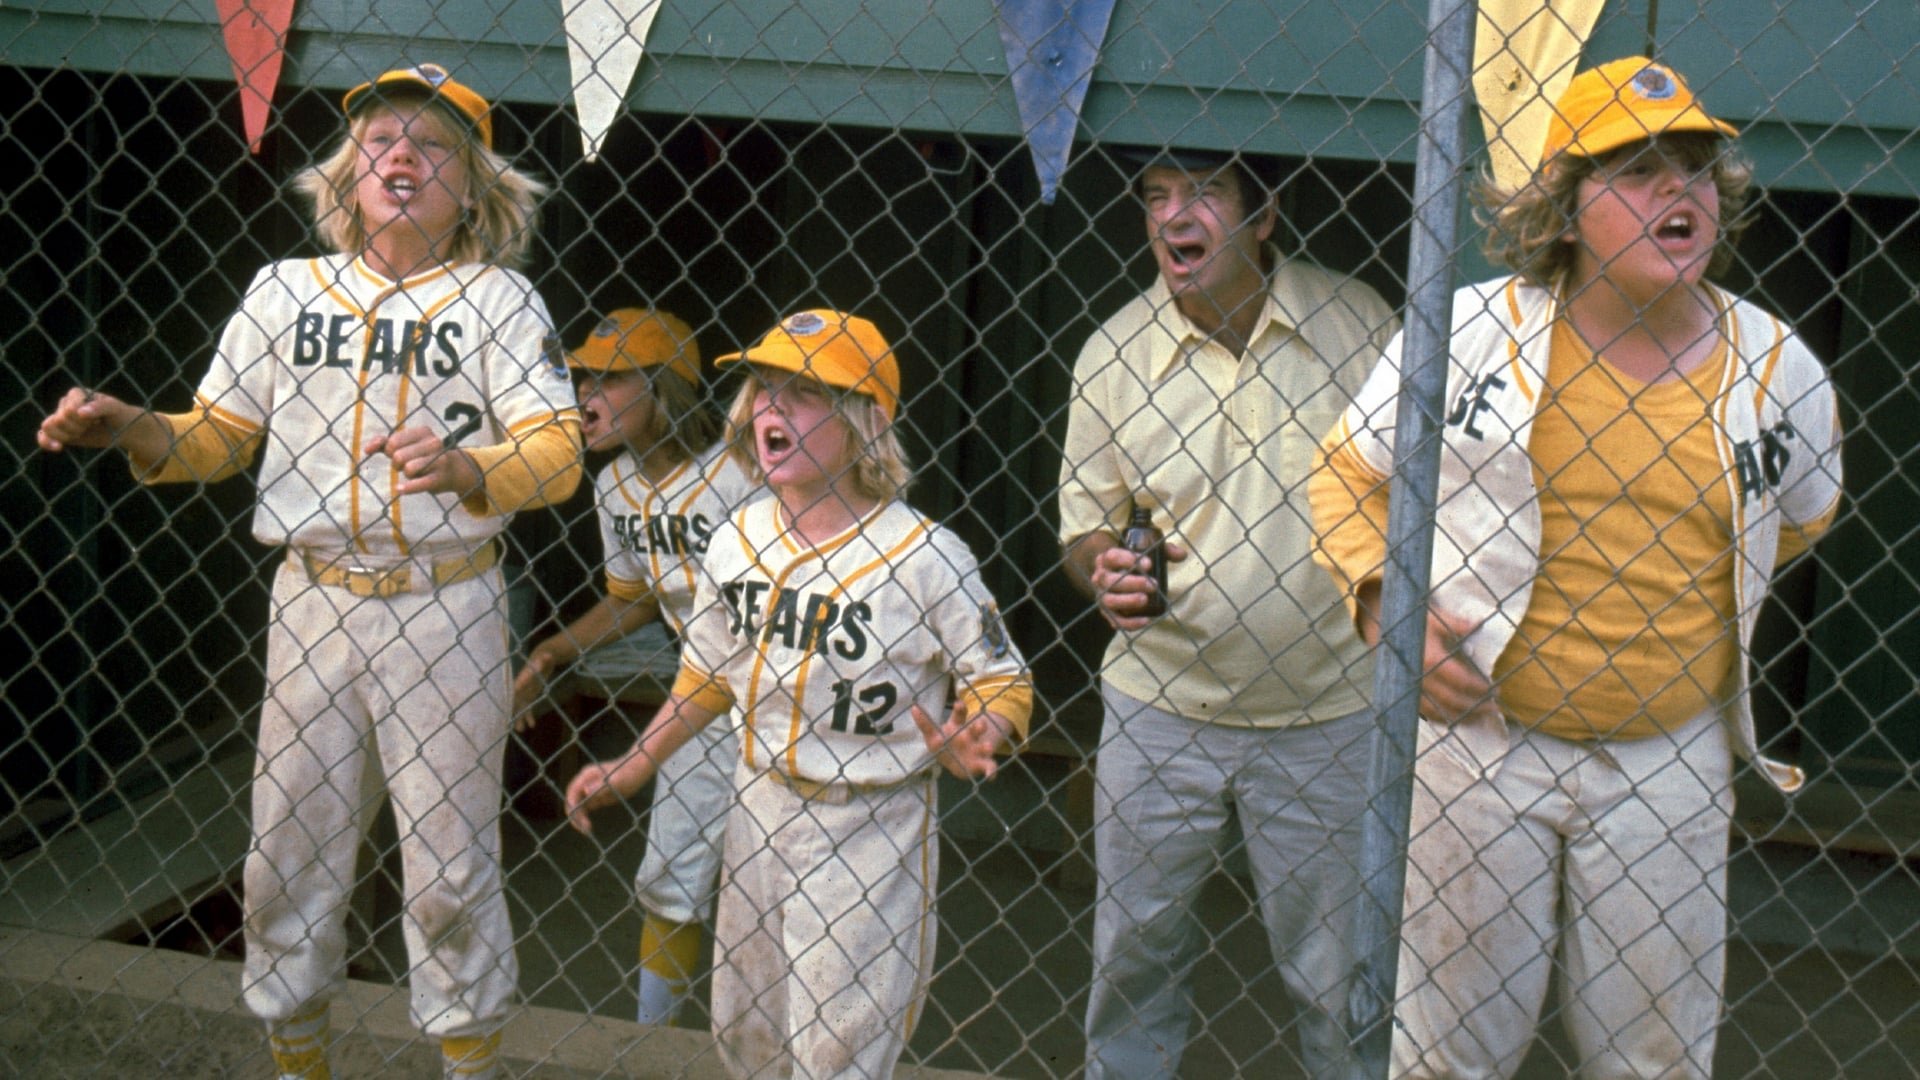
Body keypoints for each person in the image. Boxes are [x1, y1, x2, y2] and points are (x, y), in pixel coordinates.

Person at [36, 63, 581, 1080]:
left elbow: (557, 454)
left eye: (434, 145)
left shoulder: (501, 298)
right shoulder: (286, 289)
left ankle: (469, 1066)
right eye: (380, 140)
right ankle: (298, 1064)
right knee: (287, 856)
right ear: (345, 173)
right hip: (316, 598)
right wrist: (134, 429)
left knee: (448, 873)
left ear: (476, 188)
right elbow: (215, 440)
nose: (403, 156)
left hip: (448, 599)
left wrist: (471, 466)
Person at [1310, 58, 1843, 1078]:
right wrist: (1389, 605)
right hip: (1481, 742)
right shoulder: (1469, 330)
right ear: (1563, 209)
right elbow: (1345, 474)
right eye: (1635, 171)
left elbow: (1801, 523)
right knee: (1446, 1058)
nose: (1676, 191)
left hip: (1669, 759)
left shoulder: (1780, 370)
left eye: (1692, 168)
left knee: (1655, 1061)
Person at [564, 309, 1034, 1077]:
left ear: (865, 422)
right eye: (764, 390)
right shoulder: (739, 537)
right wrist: (638, 764)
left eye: (804, 395)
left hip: (868, 823)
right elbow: (709, 673)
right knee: (748, 1033)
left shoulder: (924, 554)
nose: (770, 410)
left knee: (840, 1047)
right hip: (757, 807)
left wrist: (983, 727)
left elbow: (1001, 674)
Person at [1057, 148, 1399, 1078]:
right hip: (1159, 706)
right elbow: (1082, 528)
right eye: (1155, 197)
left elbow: (1426, 492)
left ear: (1264, 215)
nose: (1175, 215)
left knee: (1340, 974)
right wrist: (1105, 573)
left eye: (1203, 191)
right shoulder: (1112, 352)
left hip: (1330, 708)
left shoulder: (1358, 323)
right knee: (1133, 956)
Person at [511, 306, 757, 1026]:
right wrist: (556, 649)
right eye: (582, 376)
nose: (586, 395)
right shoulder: (614, 484)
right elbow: (636, 597)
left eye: (612, 379)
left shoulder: (742, 466)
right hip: (703, 694)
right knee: (672, 877)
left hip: (788, 689)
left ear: (666, 388)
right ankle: (654, 1051)